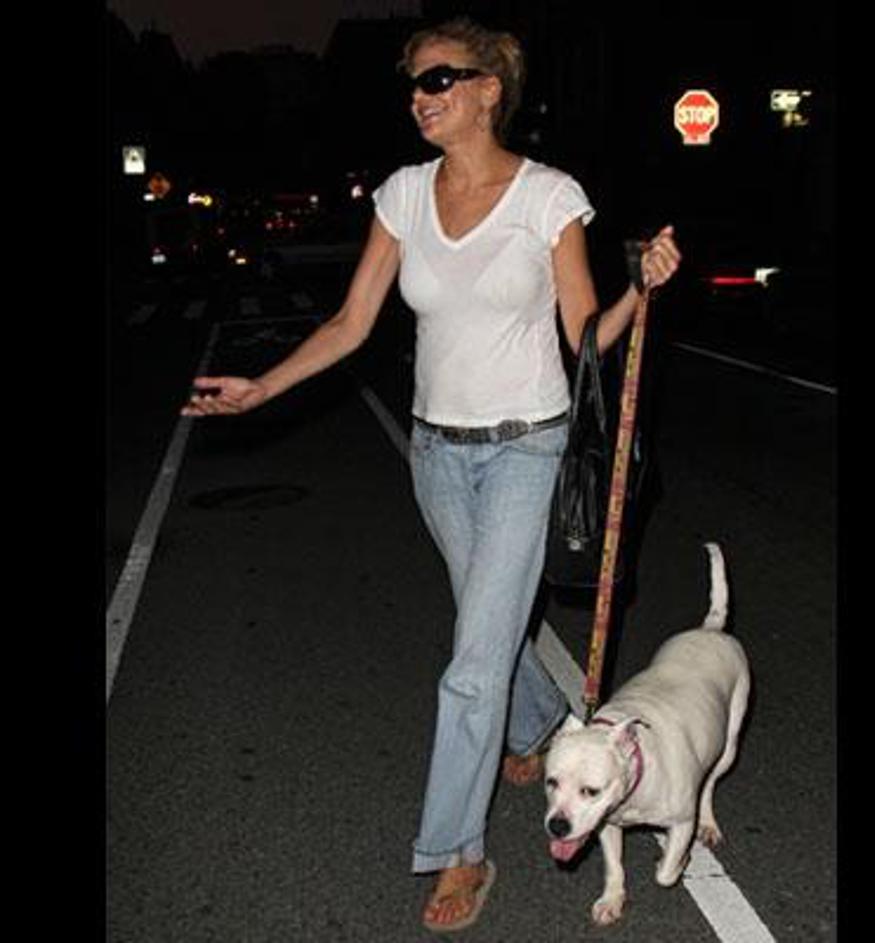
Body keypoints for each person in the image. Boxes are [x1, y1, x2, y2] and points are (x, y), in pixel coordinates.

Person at [181, 15, 681, 933]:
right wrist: (262, 386)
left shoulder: (547, 196)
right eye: (414, 83)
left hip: (528, 447)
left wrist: (638, 291)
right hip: (436, 454)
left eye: (438, 78)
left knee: (470, 665)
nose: (420, 96)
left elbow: (582, 340)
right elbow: (351, 322)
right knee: (485, 629)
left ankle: (458, 851)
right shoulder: (403, 195)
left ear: (489, 89)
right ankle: (535, 723)